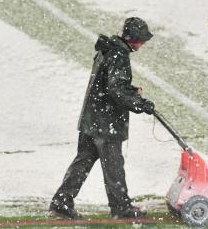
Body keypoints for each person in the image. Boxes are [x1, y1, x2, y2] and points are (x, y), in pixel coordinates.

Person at [49, 17, 156, 220]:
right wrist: (140, 104)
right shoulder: (119, 55)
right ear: (133, 39)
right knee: (114, 165)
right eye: (142, 40)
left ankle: (61, 202)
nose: (142, 44)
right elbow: (116, 89)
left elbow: (109, 86)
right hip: (106, 124)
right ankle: (121, 208)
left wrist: (132, 92)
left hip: (92, 119)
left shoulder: (107, 50)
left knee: (82, 162)